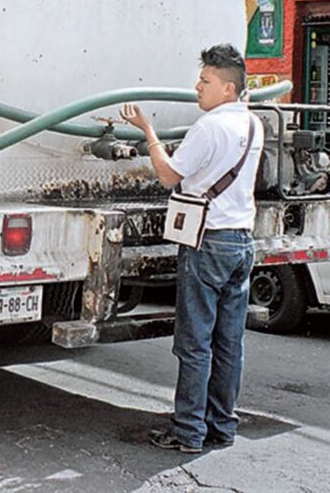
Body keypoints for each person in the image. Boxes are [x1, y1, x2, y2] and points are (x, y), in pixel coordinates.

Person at [120, 44, 264, 453]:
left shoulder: (210, 127)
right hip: (240, 241)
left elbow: (168, 175)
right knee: (228, 342)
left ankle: (187, 432)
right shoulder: (253, 124)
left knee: (195, 342)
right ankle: (223, 426)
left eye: (206, 81)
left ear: (228, 88)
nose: (197, 87)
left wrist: (147, 132)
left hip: (208, 243)